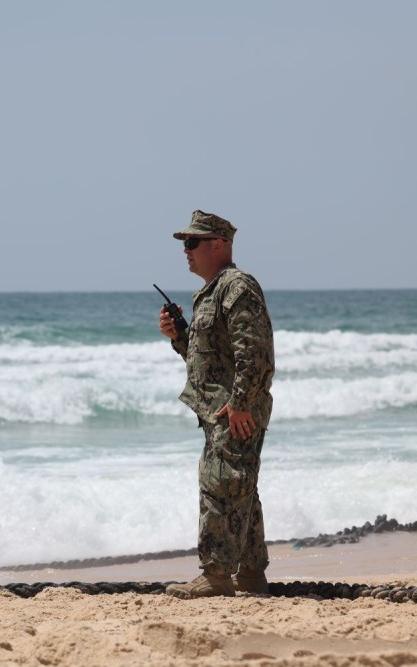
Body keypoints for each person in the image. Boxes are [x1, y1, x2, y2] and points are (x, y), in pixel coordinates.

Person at [158, 210, 275, 599]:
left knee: (220, 486)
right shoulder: (212, 291)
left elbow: (254, 351)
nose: (186, 251)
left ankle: (216, 575)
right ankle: (252, 575)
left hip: (234, 410)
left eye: (192, 242)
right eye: (185, 244)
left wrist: (241, 403)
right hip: (220, 409)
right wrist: (180, 337)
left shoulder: (236, 286)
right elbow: (213, 358)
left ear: (219, 244)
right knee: (240, 489)